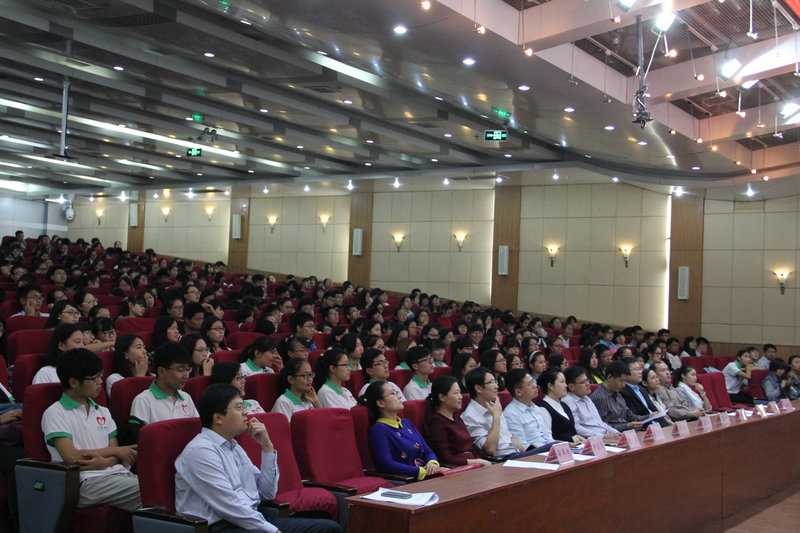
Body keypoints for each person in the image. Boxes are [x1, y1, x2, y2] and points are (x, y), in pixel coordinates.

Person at [175, 383, 342, 533]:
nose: (246, 412)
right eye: (239, 407)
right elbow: (229, 506)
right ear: (218, 417)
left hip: (252, 518)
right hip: (223, 525)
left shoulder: (234, 447)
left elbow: (266, 493)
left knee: (328, 528)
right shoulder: (200, 452)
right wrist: (273, 531)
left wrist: (267, 447)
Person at [41, 348, 140, 512]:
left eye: (101, 375)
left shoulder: (103, 412)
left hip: (114, 473)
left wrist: (106, 462)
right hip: (82, 482)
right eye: (95, 378)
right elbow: (71, 456)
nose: (100, 382)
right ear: (73, 382)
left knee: (161, 487)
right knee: (150, 492)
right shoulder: (55, 412)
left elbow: (115, 453)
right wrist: (115, 452)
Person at [361, 380, 443, 480]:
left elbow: (427, 450)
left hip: (428, 474)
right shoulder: (379, 429)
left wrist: (432, 463)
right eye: (393, 393)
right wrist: (421, 472)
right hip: (408, 480)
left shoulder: (406, 423)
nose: (399, 396)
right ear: (381, 403)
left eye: (397, 392)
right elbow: (387, 464)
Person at [461, 367, 536, 459]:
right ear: (478, 388)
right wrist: (496, 417)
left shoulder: (494, 406)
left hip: (515, 454)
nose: (497, 386)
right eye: (492, 382)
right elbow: (490, 450)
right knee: (549, 448)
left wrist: (526, 451)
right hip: (501, 459)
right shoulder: (469, 416)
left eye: (495, 382)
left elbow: (509, 438)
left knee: (547, 450)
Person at [423, 376, 491, 467]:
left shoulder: (457, 418)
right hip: (459, 469)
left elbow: (471, 448)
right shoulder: (437, 422)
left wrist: (480, 461)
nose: (461, 397)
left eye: (460, 392)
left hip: (474, 465)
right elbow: (445, 458)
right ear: (442, 397)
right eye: (456, 393)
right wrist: (476, 462)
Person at [130, 342, 198, 424]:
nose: (186, 376)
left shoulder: (186, 398)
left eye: (187, 369)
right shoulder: (143, 400)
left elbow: (196, 428)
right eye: (180, 370)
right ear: (161, 371)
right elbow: (138, 432)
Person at [502, 369, 557, 453]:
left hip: (548, 451)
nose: (535, 386)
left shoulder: (536, 408)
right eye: (530, 384)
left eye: (534, 381)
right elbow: (522, 446)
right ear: (518, 392)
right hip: (533, 454)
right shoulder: (511, 414)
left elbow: (547, 437)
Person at [589, 361, 648, 432]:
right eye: (621, 381)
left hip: (628, 431)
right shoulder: (599, 398)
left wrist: (649, 416)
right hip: (615, 435)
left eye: (625, 382)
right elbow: (603, 427)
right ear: (610, 377)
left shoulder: (618, 395)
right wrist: (627, 426)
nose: (624, 385)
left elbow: (630, 416)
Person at [561, 367, 619, 438]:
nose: (588, 384)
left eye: (587, 380)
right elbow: (576, 428)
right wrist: (603, 437)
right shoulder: (568, 401)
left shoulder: (586, 398)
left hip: (604, 436)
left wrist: (616, 433)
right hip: (592, 439)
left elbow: (600, 423)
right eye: (583, 382)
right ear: (571, 387)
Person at [536, 369, 585, 444]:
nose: (565, 385)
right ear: (550, 386)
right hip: (559, 448)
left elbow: (571, 433)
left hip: (574, 447)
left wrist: (582, 440)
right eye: (562, 382)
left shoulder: (564, 405)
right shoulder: (543, 408)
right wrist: (570, 444)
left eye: (565, 382)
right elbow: (548, 438)